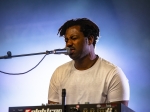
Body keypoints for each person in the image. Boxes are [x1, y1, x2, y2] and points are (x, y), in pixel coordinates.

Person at [48, 18, 130, 106]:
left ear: (90, 39)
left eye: (74, 38)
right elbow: (52, 109)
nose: (68, 44)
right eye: (66, 40)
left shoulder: (113, 74)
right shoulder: (59, 73)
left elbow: (118, 109)